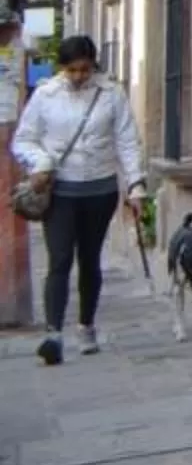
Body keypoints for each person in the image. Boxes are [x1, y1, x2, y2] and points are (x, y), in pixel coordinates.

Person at [11, 36, 145, 365]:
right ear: (62, 68)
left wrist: (136, 185)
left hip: (99, 189)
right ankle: (53, 333)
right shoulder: (45, 95)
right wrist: (40, 163)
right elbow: (23, 140)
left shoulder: (111, 94)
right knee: (59, 259)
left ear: (93, 65)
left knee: (89, 258)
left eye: (84, 70)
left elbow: (127, 141)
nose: (78, 77)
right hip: (61, 190)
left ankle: (86, 325)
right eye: (72, 70)